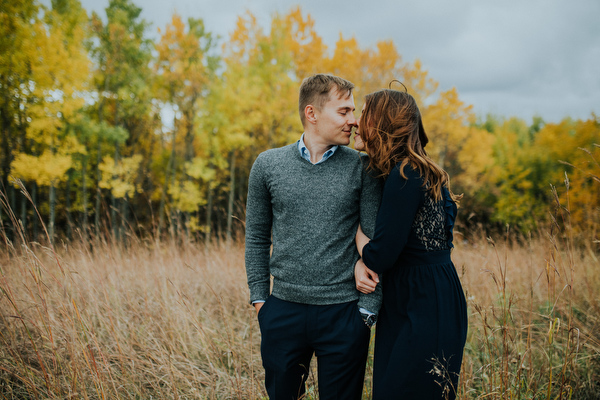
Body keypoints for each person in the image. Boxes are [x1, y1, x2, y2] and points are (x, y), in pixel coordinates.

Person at [245, 73, 383, 399]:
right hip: (282, 311)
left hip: (345, 314)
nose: (354, 121)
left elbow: (376, 243)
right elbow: (256, 238)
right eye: (344, 111)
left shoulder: (364, 168)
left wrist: (366, 313)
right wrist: (260, 300)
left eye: (353, 111)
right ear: (312, 113)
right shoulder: (267, 165)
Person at [353, 88, 468, 399]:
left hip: (420, 300)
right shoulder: (421, 170)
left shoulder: (404, 174)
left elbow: (381, 256)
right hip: (435, 292)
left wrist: (358, 237)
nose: (355, 122)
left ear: (381, 123)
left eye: (363, 114)